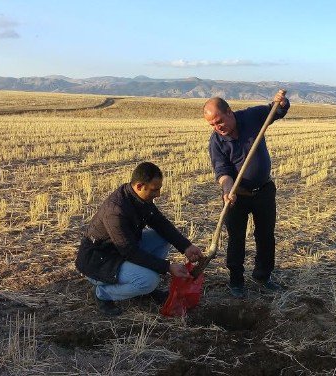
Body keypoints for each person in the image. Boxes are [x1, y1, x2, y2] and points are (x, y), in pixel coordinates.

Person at [75, 162, 204, 316]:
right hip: (100, 261)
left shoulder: (139, 199)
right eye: (155, 189)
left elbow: (160, 223)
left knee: (161, 237)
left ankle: (142, 289)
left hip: (120, 250)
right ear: (139, 186)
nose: (159, 194)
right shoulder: (116, 211)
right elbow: (129, 251)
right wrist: (167, 267)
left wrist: (186, 246)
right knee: (149, 281)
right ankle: (103, 293)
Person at [204, 90, 289, 298]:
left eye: (219, 122)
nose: (218, 128)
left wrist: (281, 103)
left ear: (229, 112)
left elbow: (275, 111)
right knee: (236, 238)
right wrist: (227, 189)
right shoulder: (216, 141)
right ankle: (236, 281)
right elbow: (222, 171)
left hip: (264, 191)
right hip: (236, 196)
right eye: (212, 125)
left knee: (265, 236)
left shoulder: (251, 117)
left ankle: (263, 276)